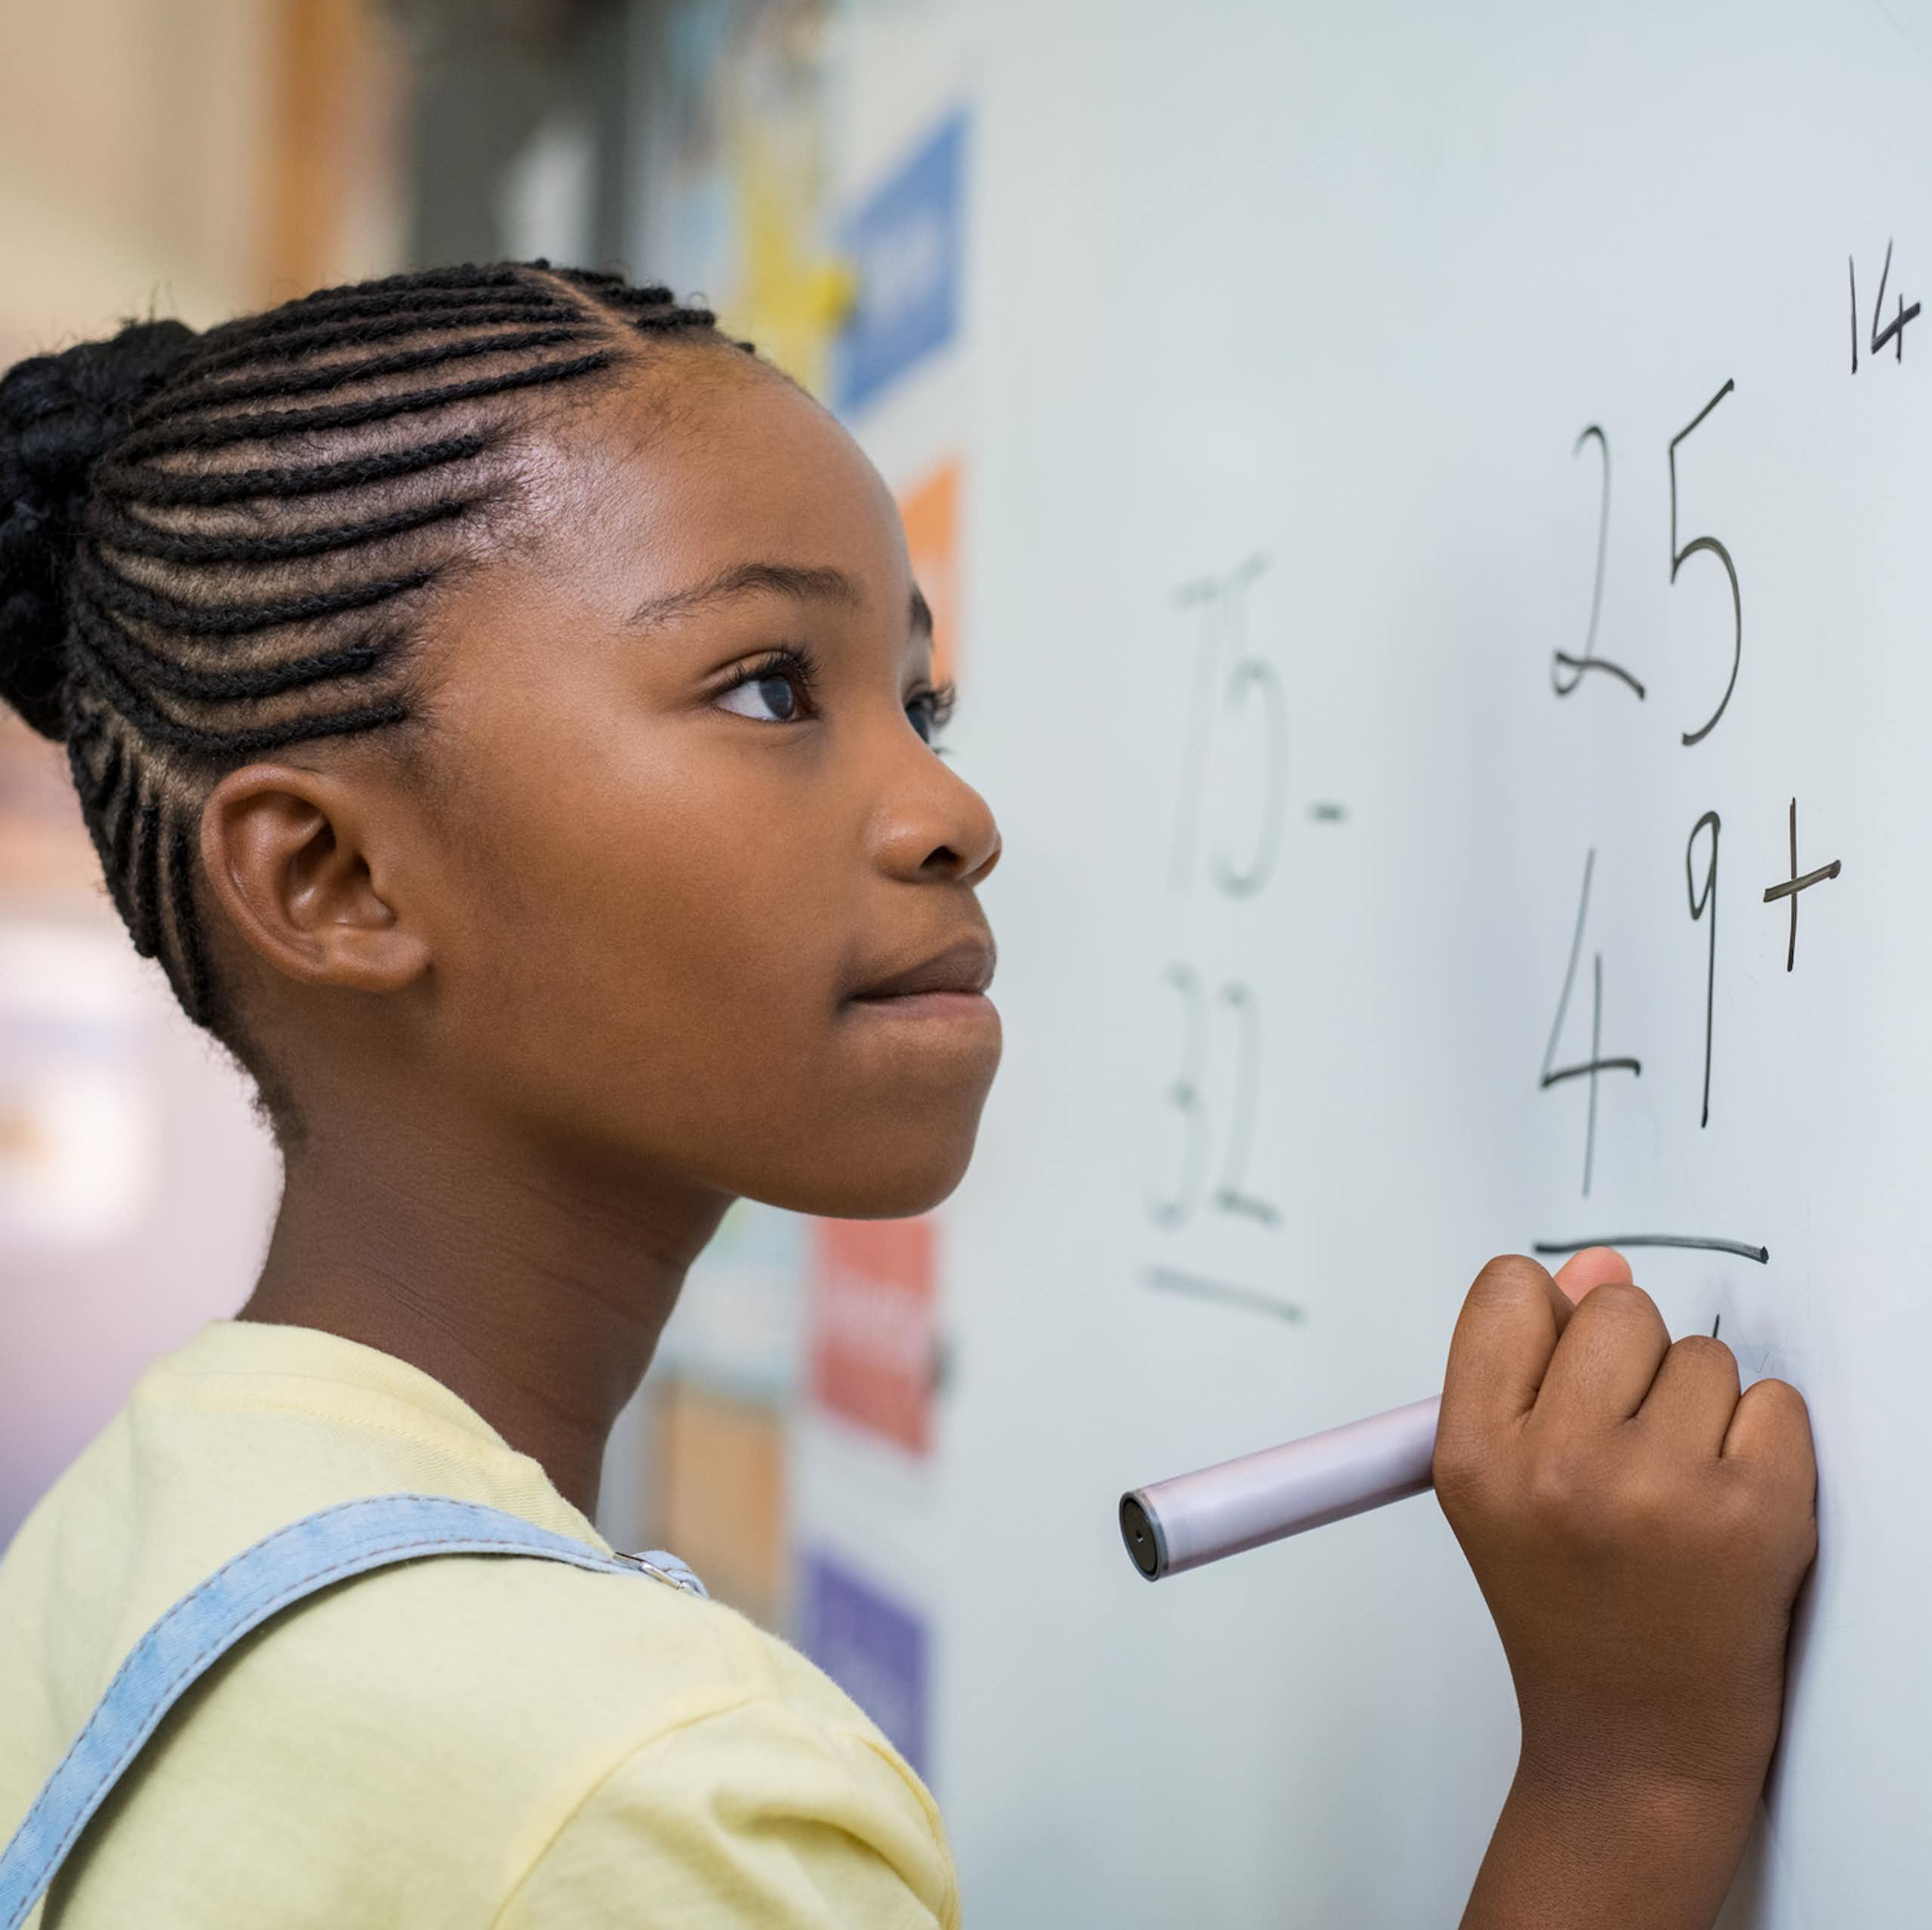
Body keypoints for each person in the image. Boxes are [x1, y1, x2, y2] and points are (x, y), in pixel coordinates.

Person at [0, 263, 1816, 1929]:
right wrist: (1626, 1783)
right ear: (332, 879)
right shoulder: (647, 1804)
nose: (955, 813)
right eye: (770, 686)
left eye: (920, 706)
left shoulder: (132, 1533)